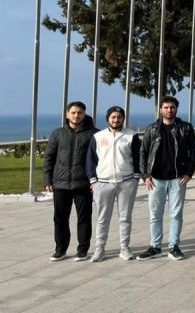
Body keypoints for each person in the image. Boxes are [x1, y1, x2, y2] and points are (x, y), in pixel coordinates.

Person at [137, 96, 195, 261]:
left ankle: (174, 247)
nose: (169, 110)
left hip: (178, 179)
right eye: (166, 107)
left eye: (172, 107)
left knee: (176, 215)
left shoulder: (185, 128)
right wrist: (145, 176)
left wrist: (189, 173)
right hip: (155, 179)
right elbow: (143, 153)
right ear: (160, 109)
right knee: (155, 215)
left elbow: (194, 151)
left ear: (176, 109)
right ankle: (155, 246)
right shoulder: (152, 129)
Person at [87, 106, 140, 262]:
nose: (116, 120)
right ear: (108, 119)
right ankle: (99, 249)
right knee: (102, 218)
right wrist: (93, 180)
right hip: (103, 183)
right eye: (113, 117)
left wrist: (136, 178)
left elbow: (138, 157)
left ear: (123, 118)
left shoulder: (131, 135)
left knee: (125, 217)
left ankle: (125, 248)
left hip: (126, 182)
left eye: (119, 117)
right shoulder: (98, 136)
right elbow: (90, 160)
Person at [45, 101, 96, 262]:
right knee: (60, 218)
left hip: (83, 184)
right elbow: (49, 157)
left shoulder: (93, 134)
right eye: (73, 112)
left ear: (84, 114)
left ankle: (82, 250)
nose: (76, 115)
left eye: (80, 112)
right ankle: (60, 250)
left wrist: (95, 181)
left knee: (84, 218)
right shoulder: (57, 133)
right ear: (67, 114)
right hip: (61, 184)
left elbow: (98, 159)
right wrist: (47, 179)